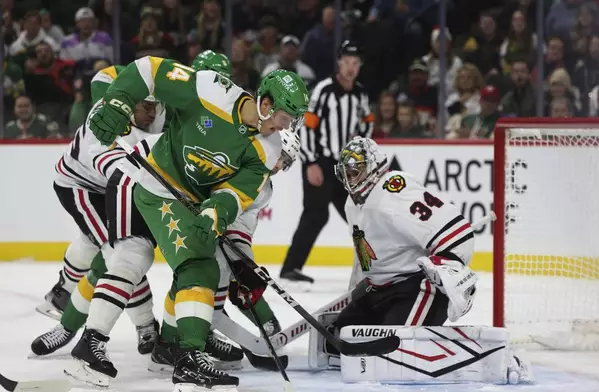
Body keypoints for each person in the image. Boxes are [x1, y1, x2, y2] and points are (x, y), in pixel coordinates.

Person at [74, 54, 309, 390]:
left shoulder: (267, 148)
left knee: (200, 267)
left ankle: (175, 348)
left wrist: (216, 211)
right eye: (284, 119)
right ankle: (109, 344)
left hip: (185, 201)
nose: (283, 129)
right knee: (139, 260)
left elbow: (235, 192)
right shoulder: (211, 90)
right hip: (152, 184)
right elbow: (149, 70)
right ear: (266, 103)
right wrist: (119, 98)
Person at [31, 52, 236, 366]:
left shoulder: (169, 103)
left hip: (131, 185)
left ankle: (161, 332)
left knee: (123, 255)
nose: (151, 113)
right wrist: (115, 98)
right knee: (117, 256)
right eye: (145, 105)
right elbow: (117, 163)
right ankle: (97, 327)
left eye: (154, 106)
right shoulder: (107, 118)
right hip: (85, 185)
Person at [149, 130, 302, 373]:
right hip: (184, 216)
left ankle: (172, 342)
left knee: (200, 279)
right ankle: (181, 340)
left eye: (286, 161)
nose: (281, 165)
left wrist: (245, 263)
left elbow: (241, 224)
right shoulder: (238, 160)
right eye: (282, 156)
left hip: (212, 229)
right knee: (202, 276)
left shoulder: (264, 187)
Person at [328, 136, 477, 345]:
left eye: (356, 172)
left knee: (391, 348)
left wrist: (450, 273)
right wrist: (355, 291)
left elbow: (458, 232)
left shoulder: (394, 193)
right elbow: (363, 254)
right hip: (379, 290)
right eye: (347, 174)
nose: (351, 180)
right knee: (338, 342)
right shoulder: (352, 204)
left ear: (374, 166)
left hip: (417, 287)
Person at [281, 40, 373, 286]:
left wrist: (360, 146)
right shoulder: (324, 89)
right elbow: (307, 126)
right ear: (339, 63)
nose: (351, 68)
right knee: (316, 214)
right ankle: (290, 269)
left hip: (345, 167)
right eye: (347, 63)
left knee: (360, 217)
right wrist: (310, 162)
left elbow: (367, 122)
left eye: (355, 63)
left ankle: (371, 267)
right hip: (320, 161)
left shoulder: (361, 93)